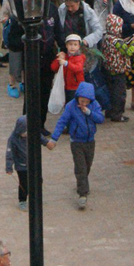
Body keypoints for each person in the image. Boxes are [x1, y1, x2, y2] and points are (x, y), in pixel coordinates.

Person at [44, 80, 104, 209]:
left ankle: (82, 183)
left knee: (87, 165)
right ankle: (82, 194)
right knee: (81, 167)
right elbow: (62, 121)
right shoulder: (71, 106)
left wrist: (88, 112)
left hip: (90, 141)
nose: (83, 104)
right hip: (76, 141)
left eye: (87, 101)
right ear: (77, 97)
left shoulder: (94, 105)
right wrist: (54, 139)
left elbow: (100, 119)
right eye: (82, 101)